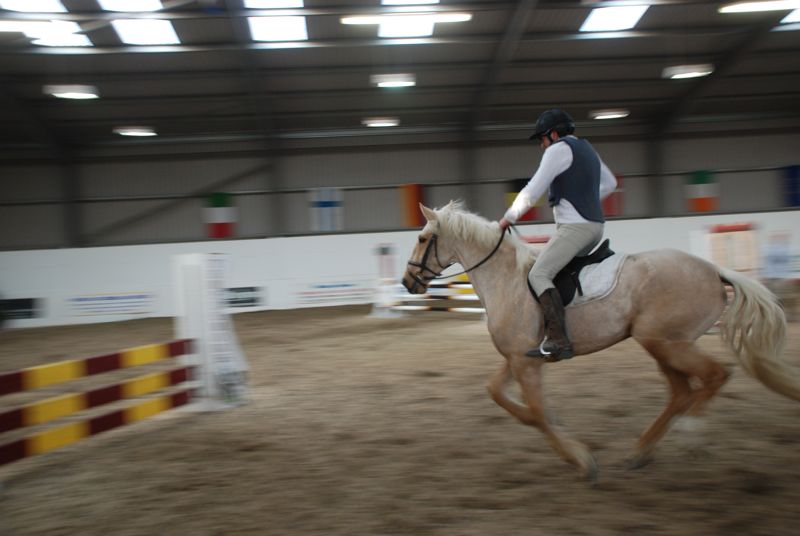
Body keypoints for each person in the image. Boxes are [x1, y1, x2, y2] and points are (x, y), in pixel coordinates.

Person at [499, 109, 618, 361]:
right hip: (596, 227)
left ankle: (558, 340)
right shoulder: (587, 149)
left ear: (553, 134)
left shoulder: (557, 150)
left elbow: (533, 189)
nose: (542, 145)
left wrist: (508, 217)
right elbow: (611, 184)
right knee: (558, 272)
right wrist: (587, 200)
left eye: (542, 139)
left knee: (538, 274)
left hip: (576, 228)